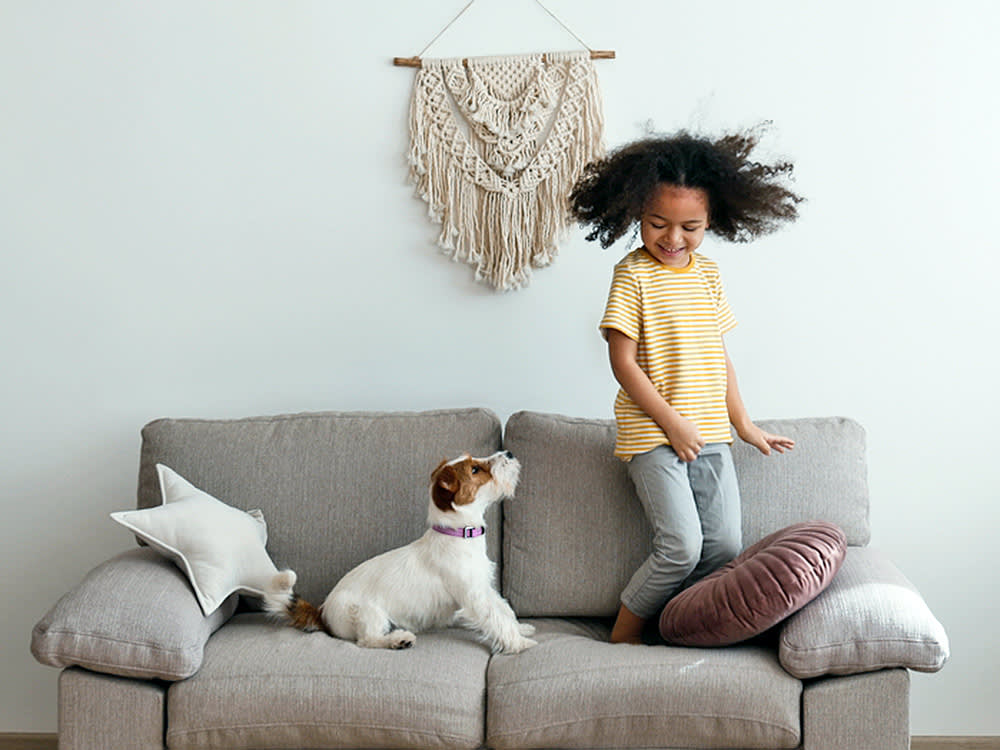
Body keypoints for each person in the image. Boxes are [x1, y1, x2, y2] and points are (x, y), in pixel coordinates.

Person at [569, 127, 805, 644]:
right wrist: (672, 423)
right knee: (681, 545)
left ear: (712, 221)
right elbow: (623, 363)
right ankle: (623, 638)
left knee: (722, 547)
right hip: (654, 435)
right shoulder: (631, 275)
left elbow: (719, 358)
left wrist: (744, 425)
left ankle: (684, 631)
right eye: (658, 224)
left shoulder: (708, 275)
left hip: (711, 434)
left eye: (690, 227)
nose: (673, 239)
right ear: (636, 214)